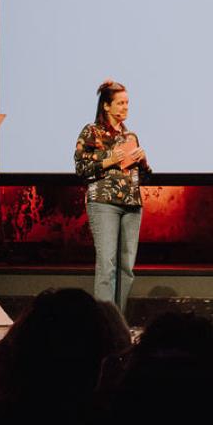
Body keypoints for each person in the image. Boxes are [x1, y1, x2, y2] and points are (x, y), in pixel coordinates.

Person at [75, 79, 149, 309]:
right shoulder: (92, 132)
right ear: (106, 106)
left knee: (126, 266)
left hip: (131, 204)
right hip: (104, 203)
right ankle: (104, 325)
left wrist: (143, 162)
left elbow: (143, 177)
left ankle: (119, 321)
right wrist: (109, 160)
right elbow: (81, 169)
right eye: (120, 103)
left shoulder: (130, 136)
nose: (125, 107)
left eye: (127, 103)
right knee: (107, 264)